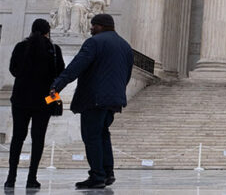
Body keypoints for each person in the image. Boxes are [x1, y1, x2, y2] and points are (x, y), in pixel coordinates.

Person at [50, 14, 134, 190]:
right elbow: (126, 74)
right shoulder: (125, 46)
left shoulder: (94, 42)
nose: (90, 29)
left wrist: (56, 87)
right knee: (103, 134)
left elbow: (76, 67)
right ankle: (107, 172)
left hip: (94, 97)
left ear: (100, 26)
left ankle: (97, 175)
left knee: (91, 136)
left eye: (93, 26)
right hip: (113, 99)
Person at [6, 19, 64, 189]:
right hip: (44, 100)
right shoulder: (53, 49)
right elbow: (60, 72)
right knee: (38, 139)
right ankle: (32, 178)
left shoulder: (21, 47)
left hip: (21, 98)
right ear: (48, 31)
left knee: (17, 137)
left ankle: (11, 177)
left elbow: (13, 69)